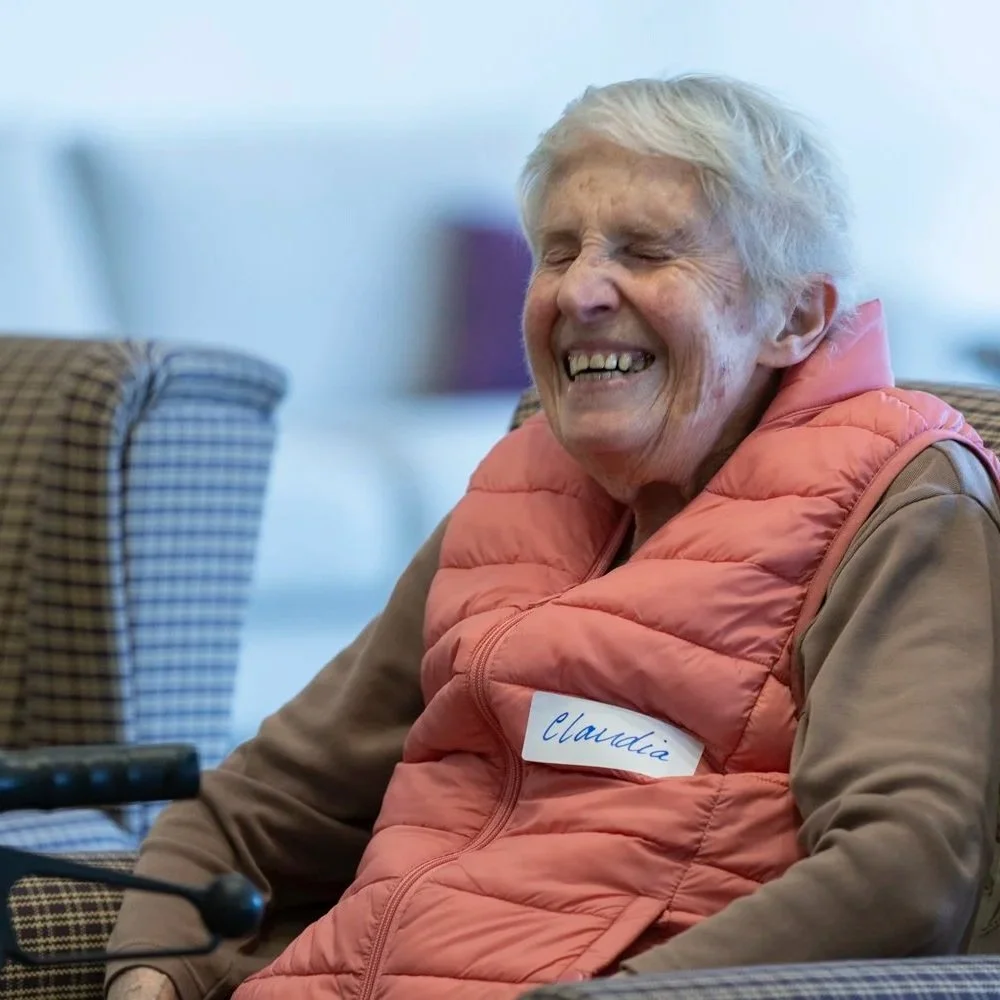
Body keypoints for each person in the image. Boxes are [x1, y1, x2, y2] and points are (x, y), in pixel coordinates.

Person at [106, 74, 1000, 1000]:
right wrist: (151, 971)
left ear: (796, 317)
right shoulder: (515, 491)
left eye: (646, 252)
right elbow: (261, 807)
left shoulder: (903, 496)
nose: (578, 292)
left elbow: (903, 870)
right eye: (558, 251)